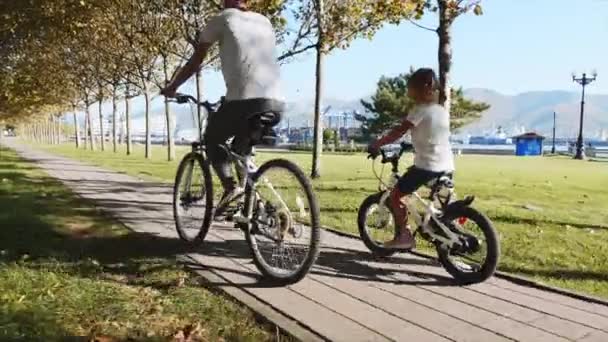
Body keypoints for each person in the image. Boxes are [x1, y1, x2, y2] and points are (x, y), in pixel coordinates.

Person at [161, 0, 285, 211]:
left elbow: (196, 61)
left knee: (212, 139)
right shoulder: (264, 21)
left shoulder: (222, 19)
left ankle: (231, 188)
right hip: (275, 102)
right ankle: (254, 207)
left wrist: (172, 87)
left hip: (244, 101)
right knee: (239, 150)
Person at [367, 68, 455, 249]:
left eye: (411, 87)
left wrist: (377, 143)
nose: (409, 92)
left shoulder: (419, 110)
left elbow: (399, 131)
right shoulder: (440, 110)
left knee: (396, 195)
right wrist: (411, 146)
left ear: (419, 88)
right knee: (439, 205)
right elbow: (430, 135)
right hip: (447, 164)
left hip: (427, 166)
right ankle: (443, 230)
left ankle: (404, 236)